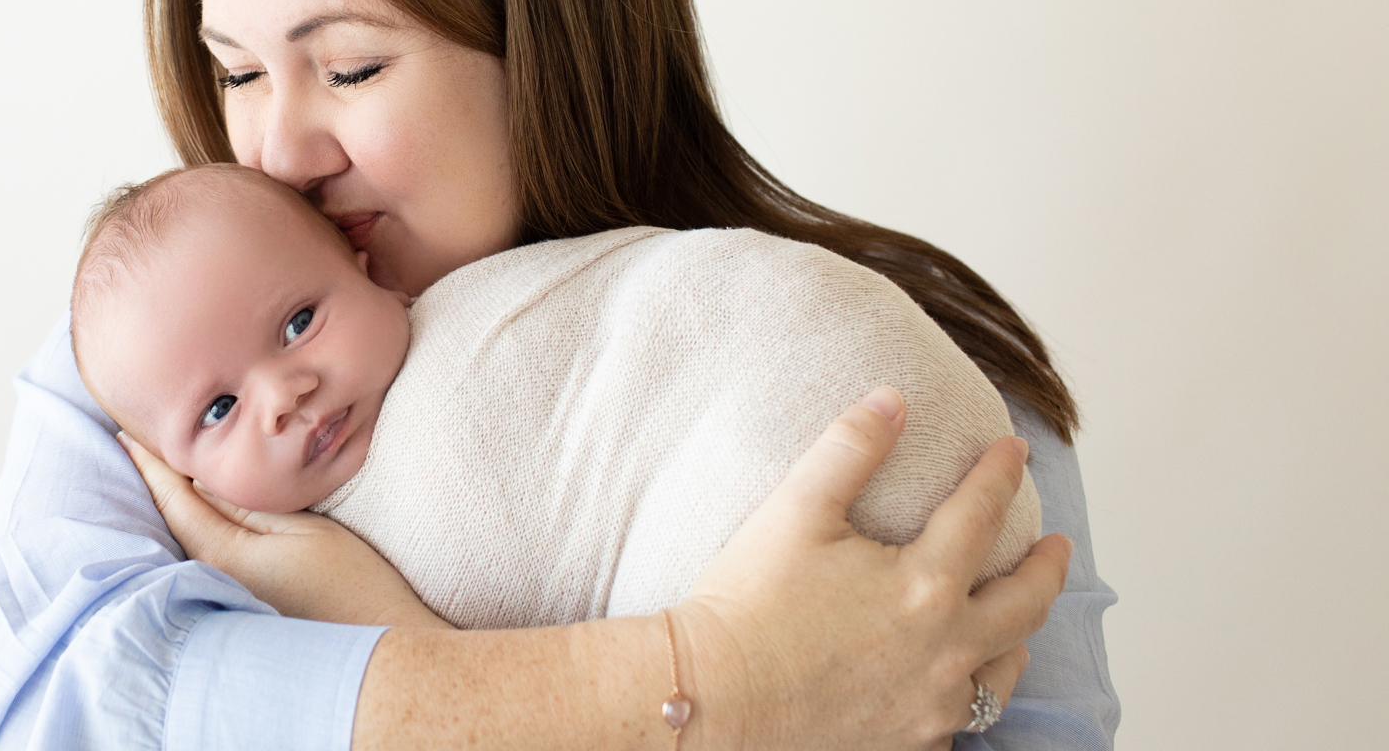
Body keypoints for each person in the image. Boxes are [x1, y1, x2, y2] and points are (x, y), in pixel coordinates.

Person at [0, 0, 1118, 750]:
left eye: (352, 67)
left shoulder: (905, 374)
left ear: (585, 13)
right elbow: (48, 710)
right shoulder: (170, 352)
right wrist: (708, 689)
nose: (275, 148)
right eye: (236, 72)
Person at [69, 162, 1043, 629]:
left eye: (297, 324)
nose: (285, 393)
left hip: (853, 430)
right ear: (175, 472)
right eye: (219, 411)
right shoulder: (162, 500)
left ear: (368, 269)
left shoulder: (483, 335)